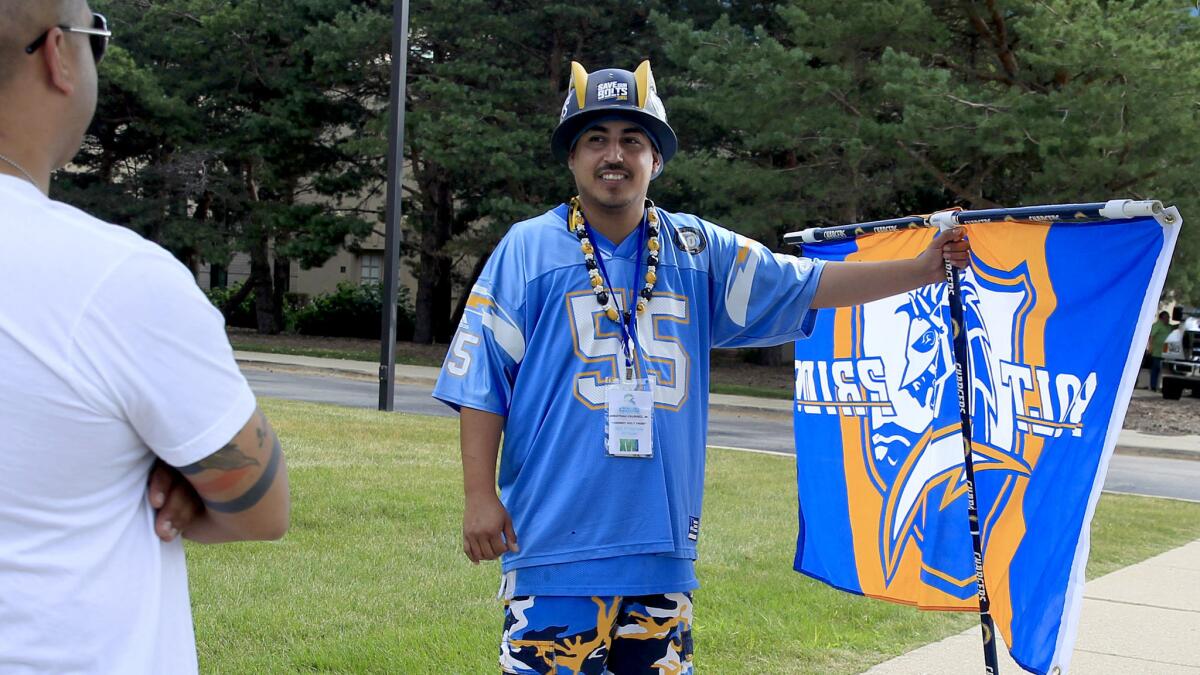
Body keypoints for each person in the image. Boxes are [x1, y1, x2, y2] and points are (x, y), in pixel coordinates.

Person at [433, 60, 969, 674]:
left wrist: (923, 270)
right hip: (551, 547)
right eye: (596, 139)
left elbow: (808, 282)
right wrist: (479, 497)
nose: (615, 155)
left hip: (660, 549)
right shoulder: (526, 250)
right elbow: (482, 385)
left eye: (633, 140)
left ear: (656, 158)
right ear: (572, 157)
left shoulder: (696, 250)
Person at [0, 2, 290, 672]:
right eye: (95, 38)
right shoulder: (115, 281)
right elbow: (260, 506)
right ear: (58, 55)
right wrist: (170, 480)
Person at [1147, 310, 1173, 392]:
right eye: (1166, 317)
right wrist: (1150, 348)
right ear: (1161, 318)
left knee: (1164, 371)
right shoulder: (1157, 325)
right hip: (1156, 352)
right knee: (1155, 370)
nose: (1168, 319)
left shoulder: (1169, 326)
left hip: (1166, 352)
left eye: (1169, 317)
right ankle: (1153, 386)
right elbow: (1151, 337)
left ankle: (1162, 386)